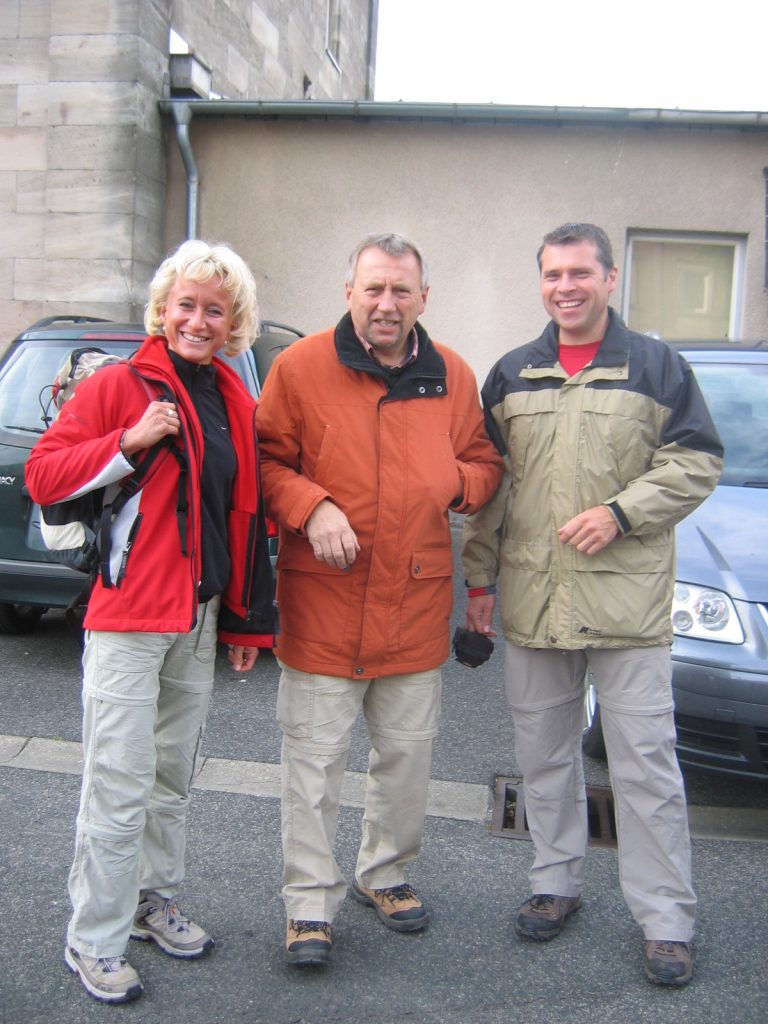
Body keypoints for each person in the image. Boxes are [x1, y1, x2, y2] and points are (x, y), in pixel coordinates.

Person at [462, 223, 723, 987]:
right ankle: (555, 881)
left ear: (610, 278)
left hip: (626, 606)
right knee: (544, 756)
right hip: (535, 600)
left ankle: (666, 918)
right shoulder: (513, 374)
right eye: (553, 274)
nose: (566, 287)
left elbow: (697, 461)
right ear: (541, 282)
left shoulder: (658, 367)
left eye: (580, 272)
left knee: (646, 766)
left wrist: (621, 513)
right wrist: (478, 582)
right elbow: (492, 488)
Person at [25, 240, 275, 1004]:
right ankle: (93, 937)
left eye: (215, 310)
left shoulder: (234, 401)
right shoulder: (119, 384)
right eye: (186, 305)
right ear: (163, 310)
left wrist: (245, 624)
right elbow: (43, 474)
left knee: (170, 776)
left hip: (196, 618)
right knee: (118, 779)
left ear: (234, 323)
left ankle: (149, 901)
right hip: (130, 615)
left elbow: (243, 517)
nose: (198, 320)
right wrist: (128, 441)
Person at [255, 232, 503, 967]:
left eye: (401, 290)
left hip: (414, 608)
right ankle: (308, 906)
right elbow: (264, 463)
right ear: (349, 294)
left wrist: (452, 481)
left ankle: (385, 873)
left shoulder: (452, 374)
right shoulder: (300, 367)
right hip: (323, 607)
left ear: (424, 297)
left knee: (405, 758)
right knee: (313, 766)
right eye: (373, 289)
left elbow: (484, 465)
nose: (386, 303)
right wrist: (311, 506)